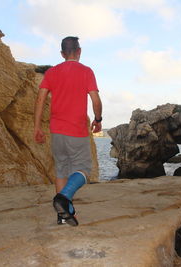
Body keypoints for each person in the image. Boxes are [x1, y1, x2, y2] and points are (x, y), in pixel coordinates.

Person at [34, 36, 102, 226]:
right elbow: (95, 100)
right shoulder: (86, 71)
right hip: (76, 130)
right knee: (83, 170)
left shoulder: (52, 72)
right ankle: (64, 198)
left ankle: (63, 215)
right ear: (79, 51)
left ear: (62, 54)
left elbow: (40, 100)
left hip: (56, 131)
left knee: (61, 171)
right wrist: (98, 120)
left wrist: (37, 127)